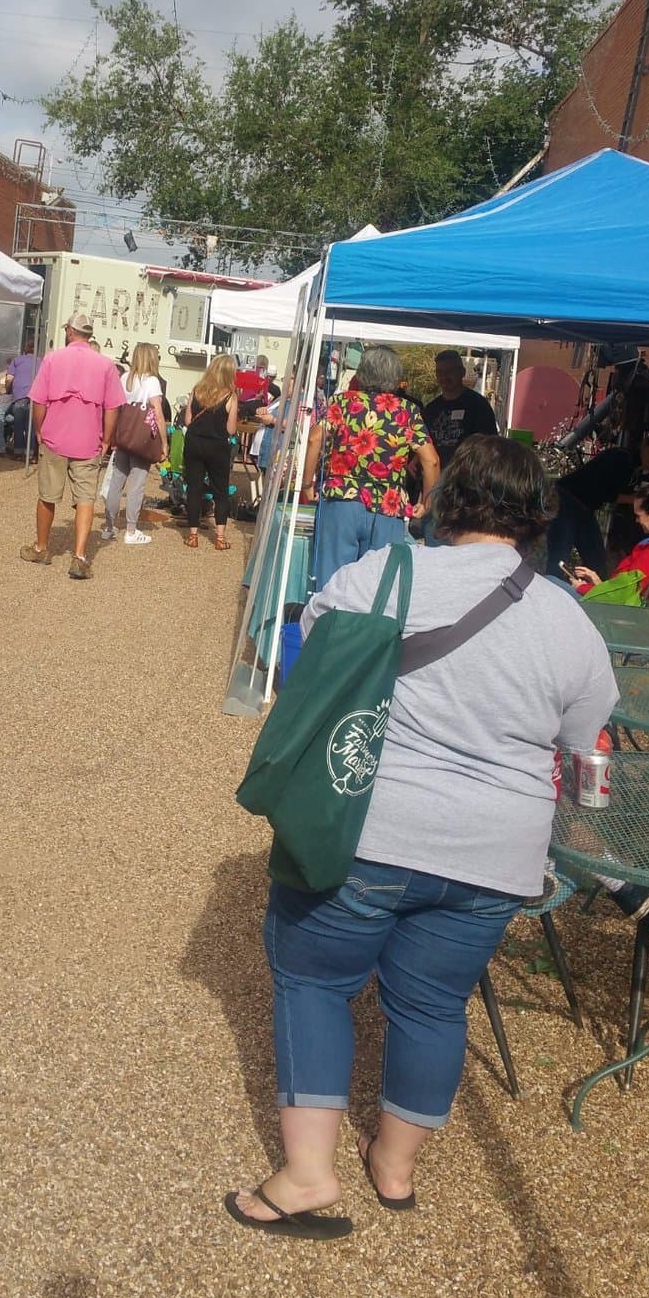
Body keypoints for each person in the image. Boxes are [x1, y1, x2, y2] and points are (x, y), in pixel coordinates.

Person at [225, 436, 618, 1236]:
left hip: (365, 830)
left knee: (315, 984)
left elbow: (312, 676)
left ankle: (306, 1175)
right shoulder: (568, 621)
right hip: (497, 852)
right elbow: (586, 751)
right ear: (538, 513)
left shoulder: (377, 577)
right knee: (434, 1007)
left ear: (448, 500)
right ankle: (394, 1169)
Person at [300, 345, 440, 593]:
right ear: (396, 379)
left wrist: (308, 484)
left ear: (361, 374)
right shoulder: (407, 412)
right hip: (388, 506)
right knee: (378, 589)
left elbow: (314, 439)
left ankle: (329, 628)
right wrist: (426, 502)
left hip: (342, 500)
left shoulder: (342, 402)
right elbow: (431, 461)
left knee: (332, 584)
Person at [21, 313, 125, 580]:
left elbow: (39, 400)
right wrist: (106, 439)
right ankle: (79, 557)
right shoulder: (106, 365)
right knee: (85, 499)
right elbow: (113, 407)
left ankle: (41, 548)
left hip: (55, 436)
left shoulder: (53, 359)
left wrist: (39, 431)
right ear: (89, 335)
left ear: (69, 331)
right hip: (89, 440)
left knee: (48, 495)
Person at [548, 429, 649, 582]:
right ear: (644, 445)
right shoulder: (621, 458)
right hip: (567, 500)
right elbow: (603, 492)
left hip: (585, 508)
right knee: (559, 555)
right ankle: (550, 589)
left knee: (597, 559)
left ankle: (595, 593)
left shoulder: (642, 472)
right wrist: (634, 499)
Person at [569, 475, 649, 597]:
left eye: (639, 515)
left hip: (614, 608)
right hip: (624, 605)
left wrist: (582, 588)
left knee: (554, 581)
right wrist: (598, 582)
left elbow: (621, 598)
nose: (637, 521)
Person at [102, 342, 169, 547]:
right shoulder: (152, 381)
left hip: (124, 434)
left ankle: (109, 526)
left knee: (117, 481)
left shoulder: (125, 378)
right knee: (137, 484)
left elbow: (115, 405)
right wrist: (164, 442)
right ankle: (131, 530)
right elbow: (157, 413)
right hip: (141, 438)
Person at [182, 354, 239, 551]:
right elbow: (231, 430)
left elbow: (188, 420)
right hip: (218, 446)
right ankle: (220, 538)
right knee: (220, 491)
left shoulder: (197, 390)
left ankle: (193, 535)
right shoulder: (230, 396)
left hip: (195, 443)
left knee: (194, 488)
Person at [422, 350, 498, 468]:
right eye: (440, 372)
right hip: (437, 478)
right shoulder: (431, 409)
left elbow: (489, 446)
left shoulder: (478, 406)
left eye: (450, 371)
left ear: (462, 372)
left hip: (467, 477)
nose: (444, 376)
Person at [0, 340, 38, 456]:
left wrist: (8, 390)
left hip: (19, 397)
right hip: (35, 398)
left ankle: (18, 453)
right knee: (30, 427)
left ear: (25, 349)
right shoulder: (41, 362)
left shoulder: (17, 361)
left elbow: (9, 379)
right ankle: (30, 453)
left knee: (18, 425)